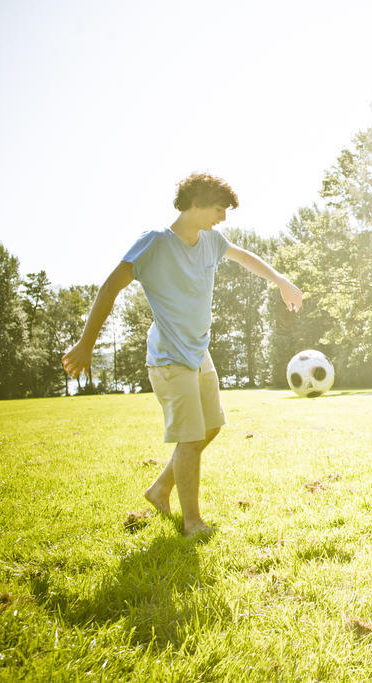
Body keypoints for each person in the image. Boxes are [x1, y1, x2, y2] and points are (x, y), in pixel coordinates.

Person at [62, 172, 303, 536]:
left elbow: (244, 257)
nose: (222, 218)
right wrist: (86, 343)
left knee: (210, 427)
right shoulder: (155, 243)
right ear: (196, 203)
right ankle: (192, 523)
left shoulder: (211, 240)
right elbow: (111, 286)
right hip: (168, 357)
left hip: (198, 352)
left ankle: (159, 489)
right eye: (219, 209)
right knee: (189, 438)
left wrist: (281, 280)